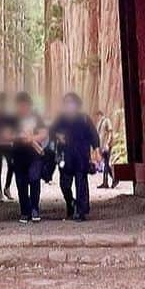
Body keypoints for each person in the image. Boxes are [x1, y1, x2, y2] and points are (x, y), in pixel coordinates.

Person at [52, 92, 100, 221]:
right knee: (64, 185)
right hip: (65, 155)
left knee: (81, 183)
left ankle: (81, 211)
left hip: (81, 155)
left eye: (72, 103)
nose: (69, 106)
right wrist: (58, 136)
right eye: (67, 103)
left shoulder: (84, 118)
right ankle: (70, 202)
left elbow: (93, 135)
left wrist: (96, 150)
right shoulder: (60, 119)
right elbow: (51, 131)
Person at [10, 91, 47, 224]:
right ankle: (24, 211)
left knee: (34, 180)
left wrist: (32, 138)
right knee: (21, 183)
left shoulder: (37, 118)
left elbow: (44, 133)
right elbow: (6, 134)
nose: (23, 107)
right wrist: (18, 136)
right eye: (20, 105)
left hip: (34, 155)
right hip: (19, 155)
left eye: (25, 105)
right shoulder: (13, 119)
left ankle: (35, 208)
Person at [96, 110, 115, 189]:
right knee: (106, 164)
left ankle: (106, 182)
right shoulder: (99, 124)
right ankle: (114, 178)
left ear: (100, 115)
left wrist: (107, 143)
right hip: (102, 146)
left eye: (98, 116)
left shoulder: (106, 121)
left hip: (106, 146)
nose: (97, 118)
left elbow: (110, 132)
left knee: (106, 164)